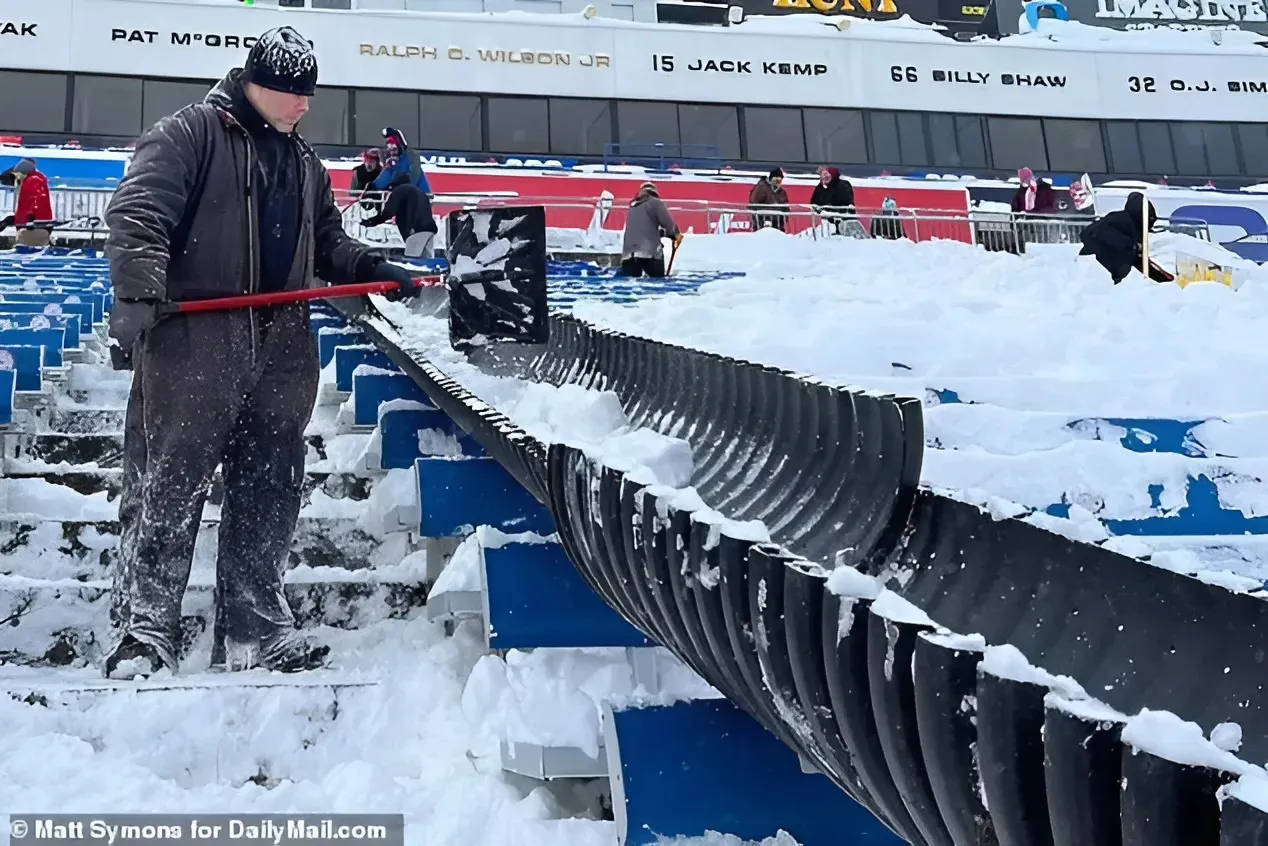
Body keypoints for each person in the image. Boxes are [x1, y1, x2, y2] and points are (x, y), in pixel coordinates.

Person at [101, 26, 424, 679]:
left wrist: (376, 266)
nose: (303, 105)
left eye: (309, 93)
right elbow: (138, 214)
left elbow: (327, 244)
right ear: (254, 82)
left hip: (281, 345)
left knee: (270, 489)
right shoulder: (190, 133)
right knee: (169, 485)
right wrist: (138, 297)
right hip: (196, 339)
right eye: (289, 92)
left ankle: (255, 627)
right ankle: (145, 629)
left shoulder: (302, 163)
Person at [1078, 191, 1171, 284]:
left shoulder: (1131, 227)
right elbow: (1102, 232)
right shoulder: (1122, 220)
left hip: (1098, 272)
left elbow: (1140, 261)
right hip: (1094, 270)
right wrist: (1131, 245)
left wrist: (1164, 280)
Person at [363, 182, 438, 258]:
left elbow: (388, 213)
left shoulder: (398, 192)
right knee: (427, 262)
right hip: (430, 229)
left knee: (412, 262)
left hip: (415, 230)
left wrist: (371, 222)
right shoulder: (417, 191)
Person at [620, 182, 679, 277]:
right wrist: (674, 234)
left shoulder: (633, 206)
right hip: (648, 253)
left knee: (631, 285)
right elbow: (668, 223)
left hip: (628, 254)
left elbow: (643, 227)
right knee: (657, 283)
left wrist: (660, 233)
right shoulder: (656, 202)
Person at [0, 158, 53, 247]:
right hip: (35, 224)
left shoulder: (33, 180)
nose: (16, 178)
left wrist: (30, 220)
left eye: (17, 174)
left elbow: (34, 202)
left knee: (26, 252)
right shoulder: (31, 180)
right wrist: (10, 220)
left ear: (23, 172)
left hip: (33, 226)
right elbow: (27, 207)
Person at [372, 127, 433, 196]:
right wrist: (374, 187)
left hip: (420, 197)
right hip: (402, 198)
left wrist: (398, 185)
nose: (390, 147)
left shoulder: (411, 156)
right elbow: (386, 176)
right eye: (388, 144)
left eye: (392, 143)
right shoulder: (391, 162)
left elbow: (414, 176)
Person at [1011, 166, 1059, 244]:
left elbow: (1052, 206)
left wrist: (1035, 213)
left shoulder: (1045, 189)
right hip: (1029, 224)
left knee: (1043, 244)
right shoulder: (1022, 191)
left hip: (1043, 222)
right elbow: (1015, 207)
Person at [810, 166, 855, 235]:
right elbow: (814, 202)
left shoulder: (843, 185)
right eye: (823, 175)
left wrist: (831, 212)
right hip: (827, 224)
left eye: (827, 175)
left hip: (843, 223)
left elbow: (847, 203)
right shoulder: (820, 187)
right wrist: (819, 210)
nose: (825, 178)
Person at [748, 168, 789, 232]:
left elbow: (785, 205)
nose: (777, 182)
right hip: (762, 222)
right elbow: (754, 201)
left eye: (779, 180)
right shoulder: (762, 187)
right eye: (775, 179)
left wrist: (786, 215)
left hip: (777, 223)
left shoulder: (781, 192)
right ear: (771, 178)